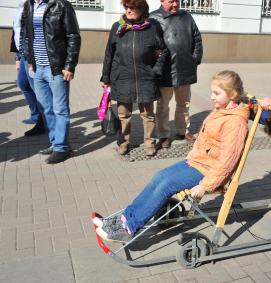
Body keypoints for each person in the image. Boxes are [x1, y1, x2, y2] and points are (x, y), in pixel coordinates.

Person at [94, 70, 249, 242]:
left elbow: (227, 161)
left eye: (216, 93)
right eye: (212, 92)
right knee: (159, 177)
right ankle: (124, 218)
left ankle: (130, 228)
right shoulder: (221, 111)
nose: (211, 97)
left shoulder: (236, 122)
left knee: (166, 185)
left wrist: (205, 186)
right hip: (196, 162)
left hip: (208, 171)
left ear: (232, 95)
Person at [101, 0, 168, 156]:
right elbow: (109, 55)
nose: (129, 11)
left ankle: (149, 143)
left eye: (133, 8)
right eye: (126, 7)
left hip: (146, 78)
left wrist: (156, 70)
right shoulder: (117, 27)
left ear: (142, 10)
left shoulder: (152, 27)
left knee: (148, 115)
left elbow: (163, 51)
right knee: (124, 114)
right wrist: (106, 78)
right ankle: (123, 143)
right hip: (122, 78)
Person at [22, 0, 81, 164]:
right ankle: (55, 143)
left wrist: (70, 65)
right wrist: (30, 60)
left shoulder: (61, 5)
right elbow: (28, 34)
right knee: (46, 108)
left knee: (60, 109)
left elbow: (73, 36)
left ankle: (62, 148)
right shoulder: (30, 4)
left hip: (56, 67)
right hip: (38, 68)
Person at [150, 0, 203, 149]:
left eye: (177, 1)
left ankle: (182, 130)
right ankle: (163, 135)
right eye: (170, 1)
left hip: (185, 69)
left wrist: (195, 60)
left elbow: (197, 39)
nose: (175, 4)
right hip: (164, 70)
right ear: (162, 1)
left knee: (184, 104)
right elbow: (147, 43)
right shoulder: (153, 18)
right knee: (162, 106)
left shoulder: (187, 17)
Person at [11, 0, 46, 136]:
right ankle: (37, 114)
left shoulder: (34, 6)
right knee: (23, 84)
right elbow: (17, 32)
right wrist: (18, 57)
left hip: (32, 55)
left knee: (38, 89)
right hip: (24, 54)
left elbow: (31, 33)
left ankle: (42, 122)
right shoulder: (22, 6)